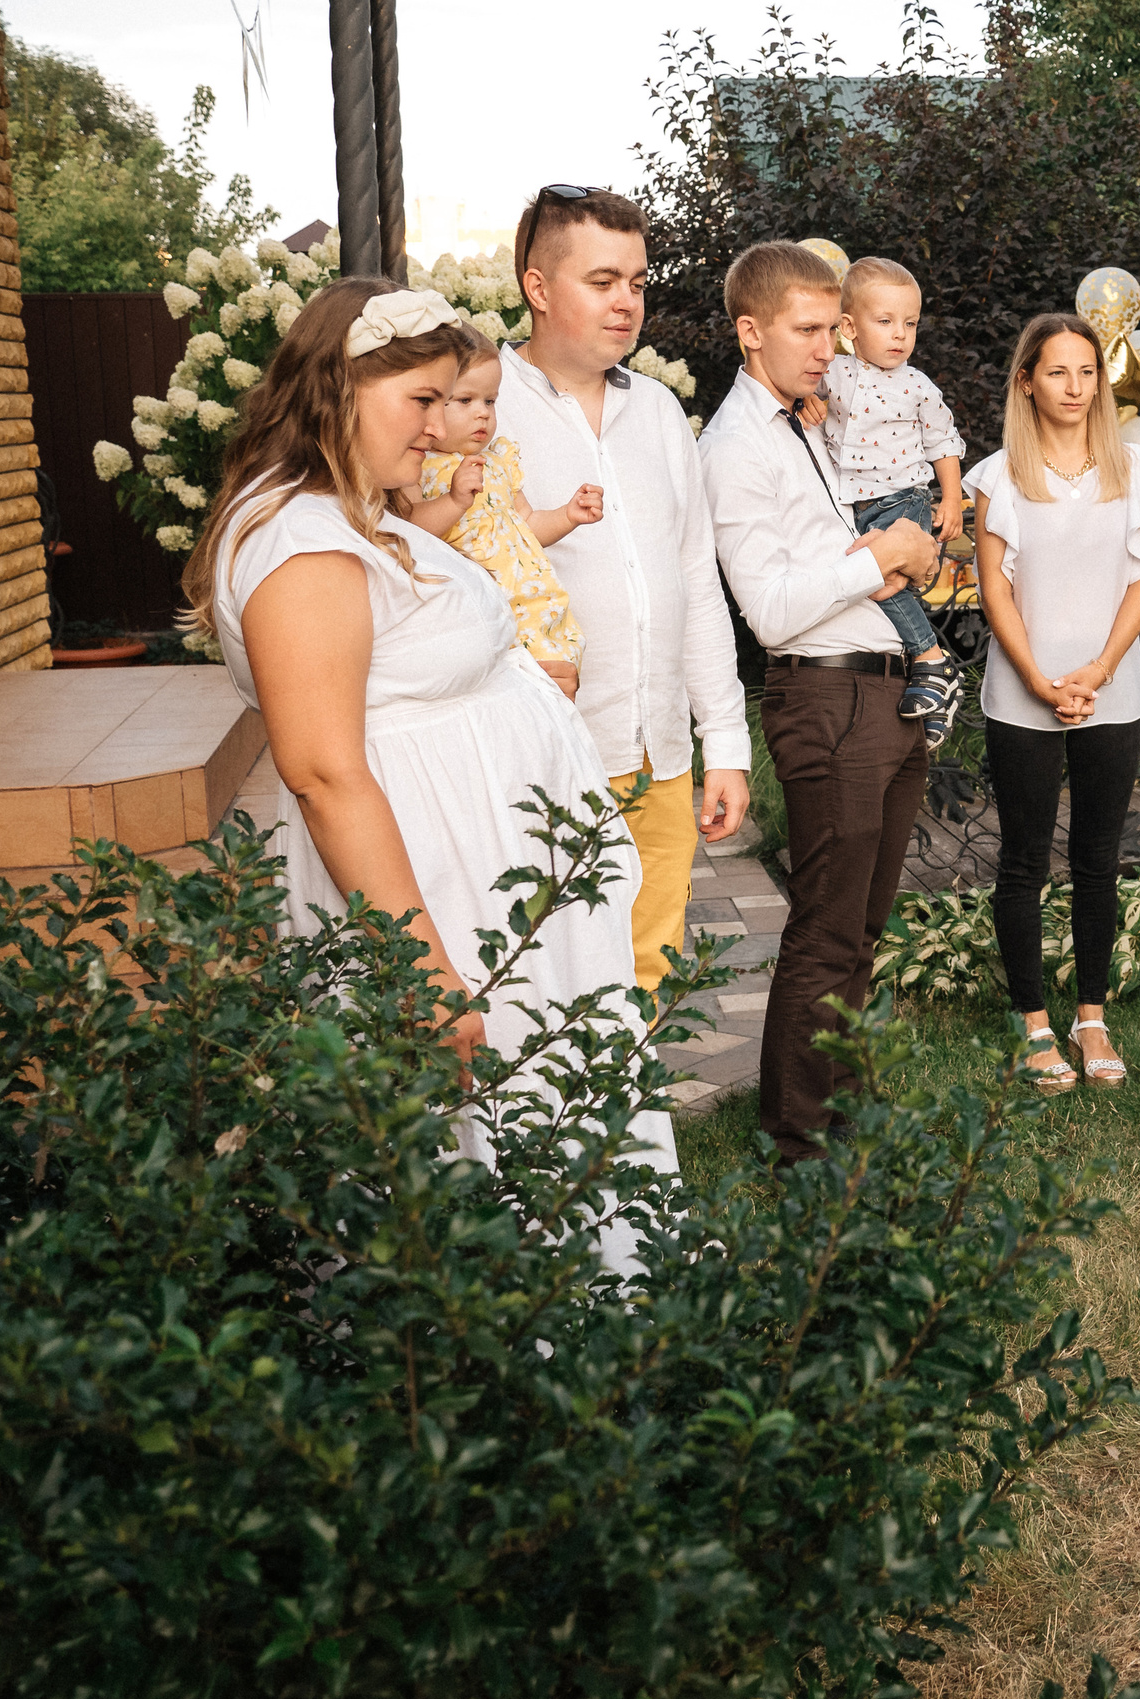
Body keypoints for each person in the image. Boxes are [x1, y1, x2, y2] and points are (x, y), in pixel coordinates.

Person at [185, 277, 673, 1269]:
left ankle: (585, 1325)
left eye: (455, 400)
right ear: (336, 386)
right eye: (423, 402)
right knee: (480, 1140)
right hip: (439, 886)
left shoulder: (350, 510)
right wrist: (421, 976)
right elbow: (324, 769)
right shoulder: (300, 540)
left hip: (485, 868)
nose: (446, 429)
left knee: (539, 1115)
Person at [702, 241, 942, 1161]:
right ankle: (798, 1141)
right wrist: (882, 556)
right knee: (826, 927)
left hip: (883, 697)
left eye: (832, 327)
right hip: (826, 701)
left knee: (863, 925)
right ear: (750, 331)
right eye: (807, 331)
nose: (827, 348)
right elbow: (767, 608)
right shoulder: (734, 447)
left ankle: (844, 1110)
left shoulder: (812, 421)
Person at [494, 185, 751, 989]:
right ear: (538, 288)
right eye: (603, 281)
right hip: (542, 758)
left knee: (647, 968)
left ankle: (628, 1116)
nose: (627, 303)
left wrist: (727, 744)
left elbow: (695, 584)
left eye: (638, 283)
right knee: (543, 974)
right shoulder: (481, 410)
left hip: (660, 755)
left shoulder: (662, 415)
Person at [966, 312, 1140, 1092]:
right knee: (1023, 862)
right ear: (1027, 380)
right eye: (1058, 372)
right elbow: (996, 589)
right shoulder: (997, 477)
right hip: (1023, 698)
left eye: (1087, 372)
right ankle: (1033, 1022)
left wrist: (1098, 668)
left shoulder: (1135, 472)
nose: (1076, 387)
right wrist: (1040, 678)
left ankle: (1091, 1016)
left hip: (1112, 693)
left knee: (1096, 862)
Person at [815, 256, 968, 752]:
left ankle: (929, 660)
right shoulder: (830, 372)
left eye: (910, 323)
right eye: (885, 322)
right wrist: (804, 403)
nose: (900, 334)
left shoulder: (917, 385)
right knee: (874, 587)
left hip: (905, 498)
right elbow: (790, 390)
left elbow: (943, 441)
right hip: (852, 507)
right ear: (848, 327)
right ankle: (931, 681)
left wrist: (951, 496)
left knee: (882, 584)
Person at [401, 323, 602, 699]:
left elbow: (527, 524)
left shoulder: (497, 462)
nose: (482, 414)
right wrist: (453, 501)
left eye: (490, 402)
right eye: (465, 401)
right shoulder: (420, 466)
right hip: (488, 607)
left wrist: (567, 515)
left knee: (555, 683)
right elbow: (413, 527)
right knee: (518, 692)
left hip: (533, 598)